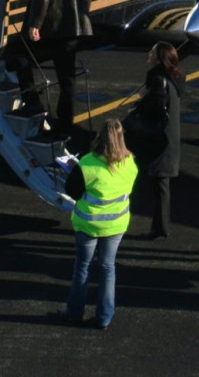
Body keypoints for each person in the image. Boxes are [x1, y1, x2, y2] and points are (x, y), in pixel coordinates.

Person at [14, 0, 92, 134]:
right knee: (67, 78)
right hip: (74, 26)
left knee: (19, 56)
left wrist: (35, 23)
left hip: (55, 28)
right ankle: (65, 123)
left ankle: (33, 102)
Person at [63, 118, 138, 330]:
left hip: (88, 225)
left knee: (83, 268)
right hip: (116, 224)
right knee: (107, 268)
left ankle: (74, 313)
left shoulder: (87, 164)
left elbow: (72, 191)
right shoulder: (130, 162)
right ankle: (104, 317)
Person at [126, 41, 184, 240]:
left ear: (159, 58)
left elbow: (155, 109)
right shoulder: (174, 78)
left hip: (159, 141)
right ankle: (160, 227)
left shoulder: (158, 80)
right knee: (161, 185)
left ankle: (160, 228)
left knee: (159, 185)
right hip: (168, 138)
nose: (148, 55)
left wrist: (142, 100)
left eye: (151, 52)